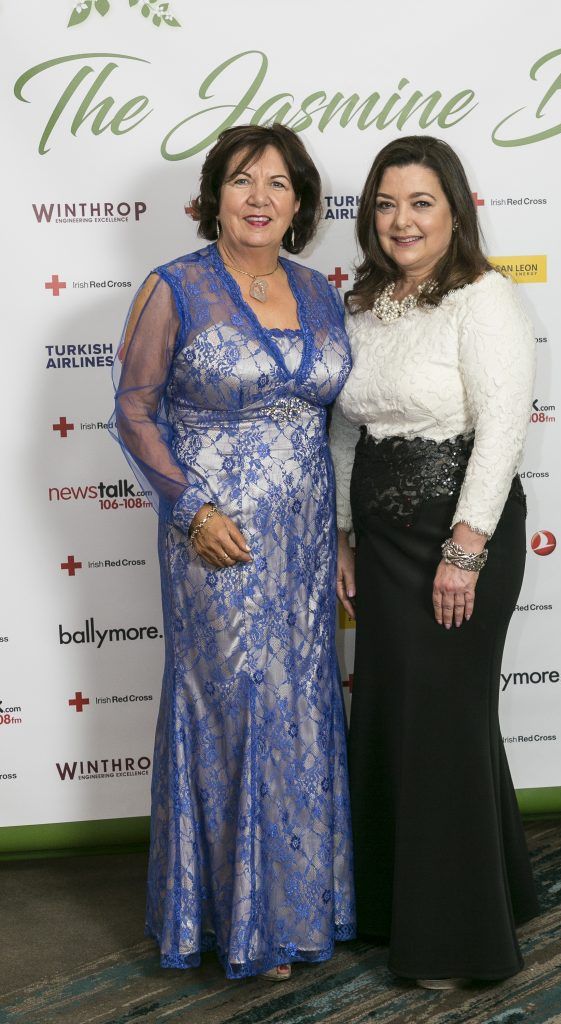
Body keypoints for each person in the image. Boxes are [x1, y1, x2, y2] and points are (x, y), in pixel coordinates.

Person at [110, 124, 355, 981]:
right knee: (237, 704)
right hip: (216, 540)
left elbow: (327, 423)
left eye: (279, 184)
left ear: (300, 204)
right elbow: (133, 411)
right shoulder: (174, 287)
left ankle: (300, 907)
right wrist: (189, 508)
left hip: (306, 539)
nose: (260, 197)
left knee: (299, 702)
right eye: (243, 180)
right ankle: (236, 923)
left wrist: (340, 536)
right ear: (214, 194)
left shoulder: (322, 291)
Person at [329, 135, 539, 988]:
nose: (401, 220)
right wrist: (344, 532)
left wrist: (466, 551)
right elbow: (347, 426)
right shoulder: (365, 302)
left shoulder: (484, 297)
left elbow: (503, 428)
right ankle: (401, 906)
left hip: (461, 539)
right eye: (386, 203)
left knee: (444, 730)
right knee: (392, 719)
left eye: (420, 203)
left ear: (456, 210)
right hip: (380, 545)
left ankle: (456, 941)